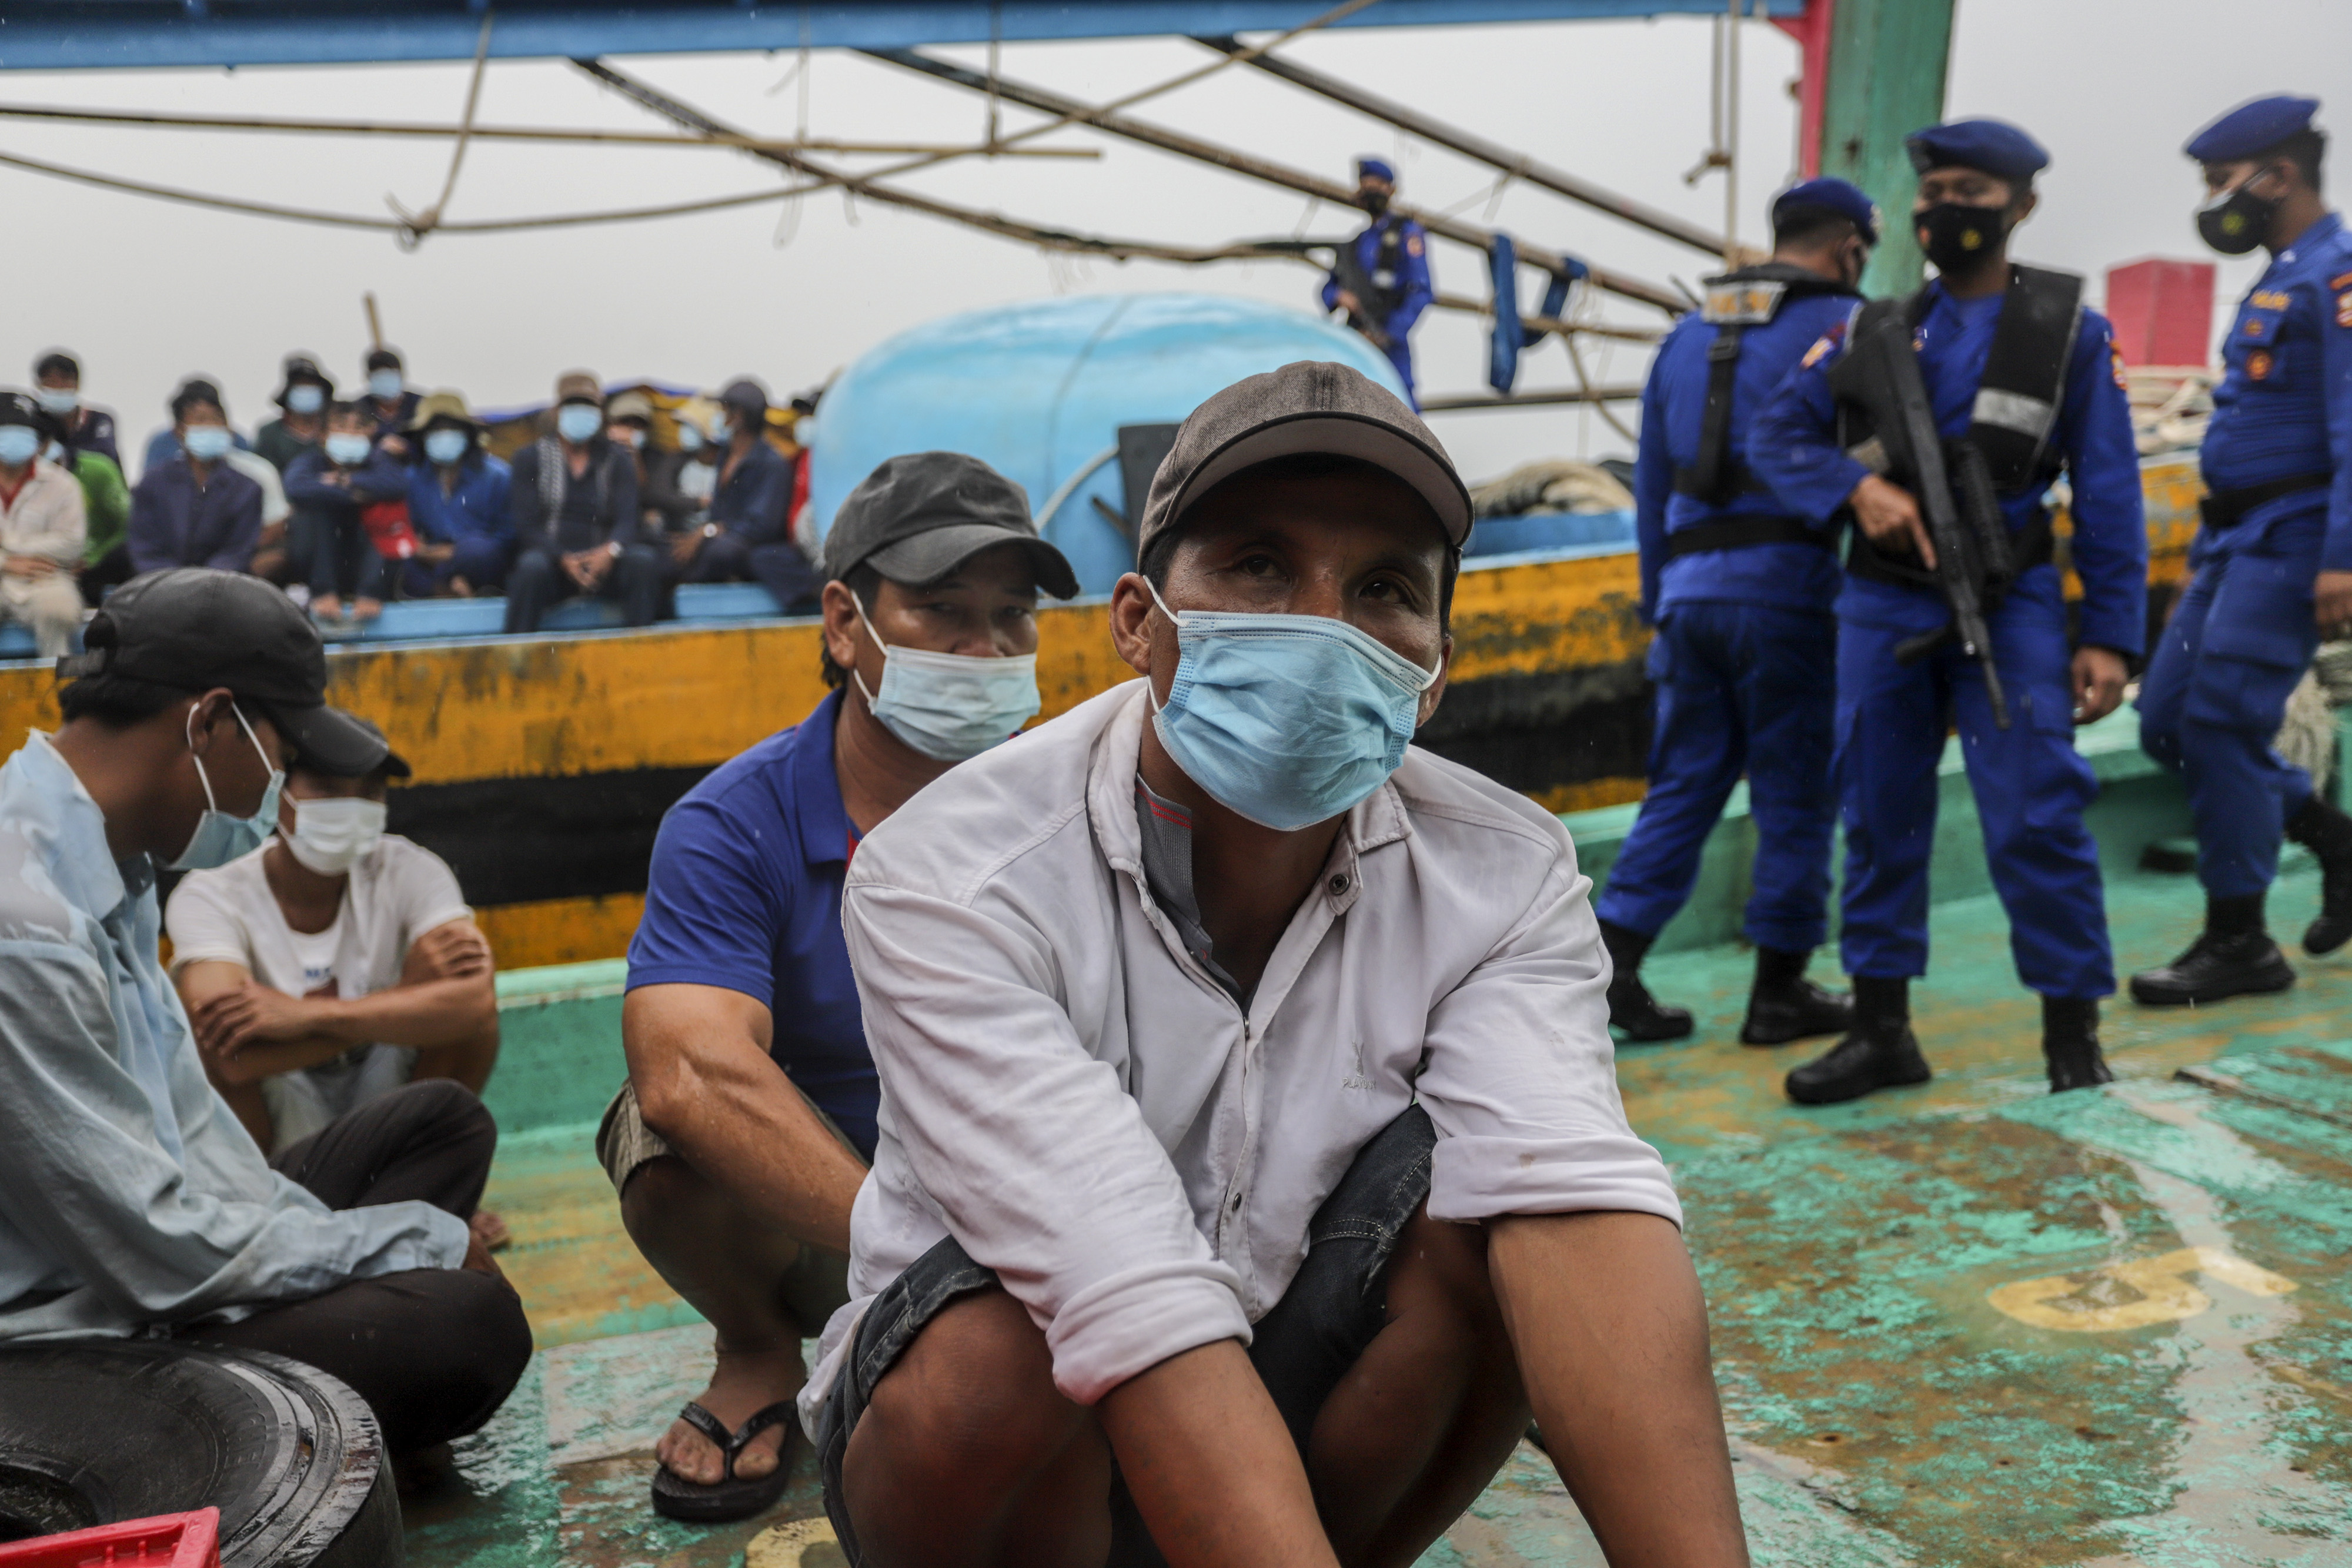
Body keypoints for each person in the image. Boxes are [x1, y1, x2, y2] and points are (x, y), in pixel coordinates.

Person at [810, 363, 1740, 1567]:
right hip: (1002, 1459)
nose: (1318, 623)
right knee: (1002, 1336)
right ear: (1139, 619)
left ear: (1433, 666)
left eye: (1381, 588)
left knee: (1495, 1213)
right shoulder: (952, 871)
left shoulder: (1500, 869)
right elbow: (1115, 1272)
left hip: (1285, 1389)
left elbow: (1577, 1200)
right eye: (1257, 565)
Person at [609, 450, 1079, 1522]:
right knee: (660, 1127)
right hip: (832, 1223)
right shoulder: (737, 822)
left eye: (1013, 617)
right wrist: (904, 1237)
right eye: (942, 609)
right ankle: (762, 1343)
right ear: (843, 621)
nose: (985, 648)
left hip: (1051, 1201)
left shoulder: (1082, 801)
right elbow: (688, 1064)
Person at [0, 567, 530, 1462]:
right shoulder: (26, 925)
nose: (279, 789)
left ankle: (328, 1389)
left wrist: (362, 1249)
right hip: (66, 1339)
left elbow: (202, 1148)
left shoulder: (115, 870)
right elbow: (150, 1249)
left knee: (440, 1125)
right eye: (282, 758)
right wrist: (406, 1241)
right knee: (469, 1323)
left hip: (149, 1252)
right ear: (207, 722)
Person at [1750, 119, 2147, 1104]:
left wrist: (2107, 635)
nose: (1945, 210)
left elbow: (2109, 490)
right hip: (1883, 604)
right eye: (1933, 193)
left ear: (2022, 205)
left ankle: (2072, 1036)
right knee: (1880, 812)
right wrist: (1857, 492)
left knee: (2035, 814)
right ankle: (1884, 1031)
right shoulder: (1873, 328)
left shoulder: (2068, 330)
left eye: (1972, 191)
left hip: (2010, 601)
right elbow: (1776, 432)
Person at [1598, 178, 1878, 1047]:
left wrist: (1659, 599)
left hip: (1688, 597)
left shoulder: (1686, 336)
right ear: (1849, 248)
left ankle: (1611, 971)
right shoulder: (1847, 326)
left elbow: (1648, 489)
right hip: (1787, 594)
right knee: (1797, 792)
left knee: (1684, 783)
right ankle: (1781, 991)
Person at [2132, 96, 2352, 1006]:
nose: (2217, 200)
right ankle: (2332, 838)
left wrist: (2341, 557)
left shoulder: (2335, 276)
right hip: (2232, 542)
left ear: (2279, 176)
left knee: (2221, 720)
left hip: (2295, 541)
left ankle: (2240, 940)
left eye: (2223, 182)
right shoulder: (2277, 277)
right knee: (2169, 720)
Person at [168, 711, 501, 1188]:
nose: (350, 807)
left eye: (369, 792)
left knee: (470, 1030)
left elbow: (474, 1008)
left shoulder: (412, 869)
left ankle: (418, 1185)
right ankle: (254, 1196)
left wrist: (308, 1017)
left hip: (381, 1079)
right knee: (200, 1030)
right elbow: (228, 1053)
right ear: (276, 793)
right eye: (325, 787)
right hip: (281, 1096)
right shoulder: (212, 893)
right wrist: (408, 997)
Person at [505, 372, 660, 634]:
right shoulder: (530, 458)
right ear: (557, 412)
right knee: (530, 569)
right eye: (573, 405)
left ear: (600, 413)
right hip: (554, 566)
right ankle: (517, 655)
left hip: (605, 565)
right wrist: (562, 558)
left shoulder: (617, 459)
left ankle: (642, 653)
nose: (582, 413)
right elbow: (526, 525)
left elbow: (628, 518)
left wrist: (610, 552)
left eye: (589, 406)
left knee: (643, 562)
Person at [666, 378, 818, 611]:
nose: (720, 416)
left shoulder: (771, 463)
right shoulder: (726, 455)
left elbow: (762, 525)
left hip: (751, 546)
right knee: (668, 547)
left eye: (724, 409)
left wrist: (710, 532)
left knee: (721, 552)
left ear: (739, 416)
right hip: (724, 539)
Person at [1321, 156, 1433, 407]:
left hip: (1389, 338)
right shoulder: (1354, 245)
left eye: (1378, 185)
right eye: (1366, 185)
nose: (1371, 191)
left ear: (1391, 190)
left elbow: (1422, 290)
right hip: (1355, 339)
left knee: (1402, 408)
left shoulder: (1407, 232)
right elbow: (1328, 288)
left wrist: (1387, 333)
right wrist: (1339, 297)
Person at [283, 401, 404, 624]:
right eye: (341, 427)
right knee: (310, 513)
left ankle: (370, 593)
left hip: (367, 560)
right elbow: (296, 488)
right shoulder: (310, 461)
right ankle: (323, 592)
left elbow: (397, 484)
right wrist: (355, 494)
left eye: (358, 427)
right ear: (323, 435)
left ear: (371, 432)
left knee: (383, 511)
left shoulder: (379, 462)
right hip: (321, 561)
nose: (350, 434)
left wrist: (342, 481)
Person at [128, 381, 265, 577]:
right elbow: (144, 544)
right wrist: (172, 579)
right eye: (200, 420)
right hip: (161, 583)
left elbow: (239, 550)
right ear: (180, 430)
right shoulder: (153, 483)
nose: (210, 427)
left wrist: (205, 580)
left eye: (217, 420)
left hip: (221, 585)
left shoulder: (247, 489)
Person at [0, 392, 89, 657]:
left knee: (59, 610)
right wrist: (6, 563)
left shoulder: (63, 484)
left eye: (24, 431)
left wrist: (7, 545)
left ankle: (57, 692)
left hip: (45, 577)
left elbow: (72, 543)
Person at [400, 391, 513, 597]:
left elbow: (508, 536)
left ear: (467, 434)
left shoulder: (498, 476)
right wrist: (421, 550)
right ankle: (448, 589)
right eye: (436, 430)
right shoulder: (411, 478)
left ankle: (450, 586)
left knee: (479, 551)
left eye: (452, 429)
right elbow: (407, 528)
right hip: (427, 561)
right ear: (423, 437)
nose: (444, 436)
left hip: (481, 562)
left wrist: (454, 553)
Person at [40, 413, 132, 607]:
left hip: (95, 565)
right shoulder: (16, 479)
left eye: (43, 442)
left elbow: (132, 526)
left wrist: (92, 559)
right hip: (40, 567)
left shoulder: (98, 470)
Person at [34, 350, 121, 470]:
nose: (58, 388)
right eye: (51, 382)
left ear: (77, 385)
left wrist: (63, 454)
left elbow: (105, 454)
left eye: (65, 381)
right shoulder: (33, 420)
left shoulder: (99, 420)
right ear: (39, 385)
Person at [254, 355, 335, 476]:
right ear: (288, 392)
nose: (306, 390)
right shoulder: (269, 434)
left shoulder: (334, 432)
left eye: (311, 385)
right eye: (300, 385)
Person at [363, 347, 420, 443]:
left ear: (401, 375)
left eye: (390, 374)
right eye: (379, 375)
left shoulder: (420, 405)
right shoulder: (360, 408)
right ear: (368, 377)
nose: (385, 380)